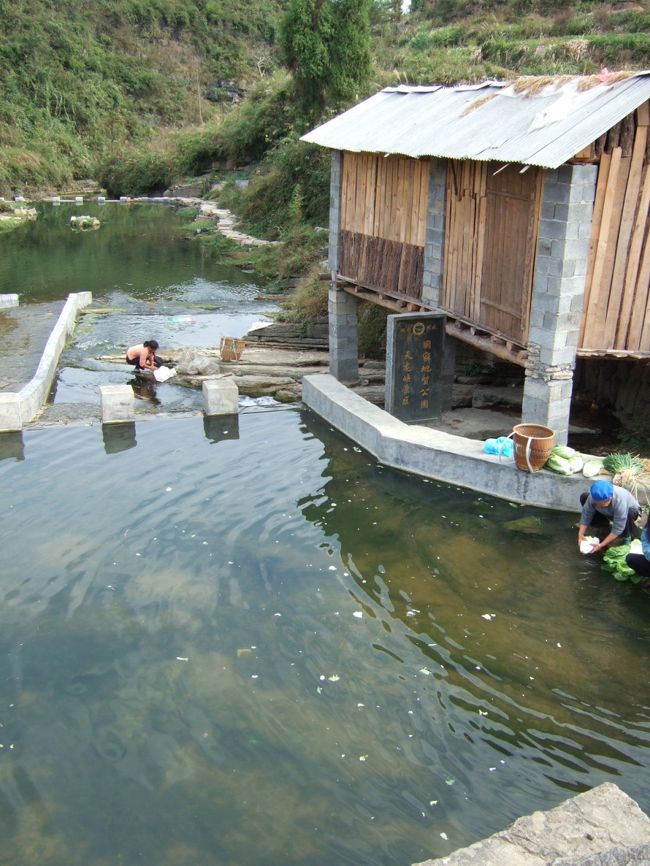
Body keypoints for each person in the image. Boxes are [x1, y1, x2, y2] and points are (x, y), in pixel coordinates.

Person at [577, 479, 641, 554]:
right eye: (599, 504)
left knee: (628, 513)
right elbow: (586, 514)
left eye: (606, 502)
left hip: (630, 513)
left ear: (610, 497)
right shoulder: (593, 497)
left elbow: (618, 527)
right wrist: (580, 534)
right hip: (610, 513)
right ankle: (602, 526)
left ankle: (626, 536)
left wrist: (601, 545)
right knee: (584, 497)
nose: (604, 505)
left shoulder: (620, 500)